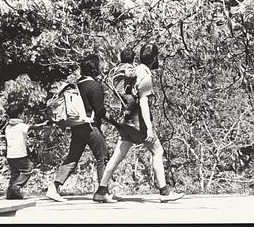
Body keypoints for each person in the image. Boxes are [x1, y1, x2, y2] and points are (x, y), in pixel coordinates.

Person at [93, 43, 186, 203]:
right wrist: (149, 128)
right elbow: (143, 102)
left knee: (118, 155)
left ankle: (101, 190)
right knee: (158, 151)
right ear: (154, 58)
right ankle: (164, 192)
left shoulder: (134, 70)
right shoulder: (145, 75)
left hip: (126, 118)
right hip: (138, 120)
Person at [46, 54, 118, 202]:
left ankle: (54, 188)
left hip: (77, 126)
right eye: (99, 66)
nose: (101, 68)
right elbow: (100, 111)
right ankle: (102, 192)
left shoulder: (78, 84)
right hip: (91, 127)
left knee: (72, 157)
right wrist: (117, 124)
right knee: (102, 157)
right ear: (94, 69)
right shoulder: (95, 86)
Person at [5, 103, 49, 199]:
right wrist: (44, 124)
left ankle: (11, 194)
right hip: (20, 155)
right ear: (20, 115)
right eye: (23, 114)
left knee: (15, 174)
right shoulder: (21, 126)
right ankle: (15, 188)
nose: (24, 116)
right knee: (28, 169)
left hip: (10, 155)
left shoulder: (7, 127)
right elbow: (34, 127)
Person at [112, 49, 137, 124]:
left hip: (117, 89)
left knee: (126, 101)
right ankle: (127, 117)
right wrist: (136, 73)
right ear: (132, 59)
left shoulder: (119, 66)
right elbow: (129, 74)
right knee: (131, 100)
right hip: (121, 90)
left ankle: (125, 113)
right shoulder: (128, 66)